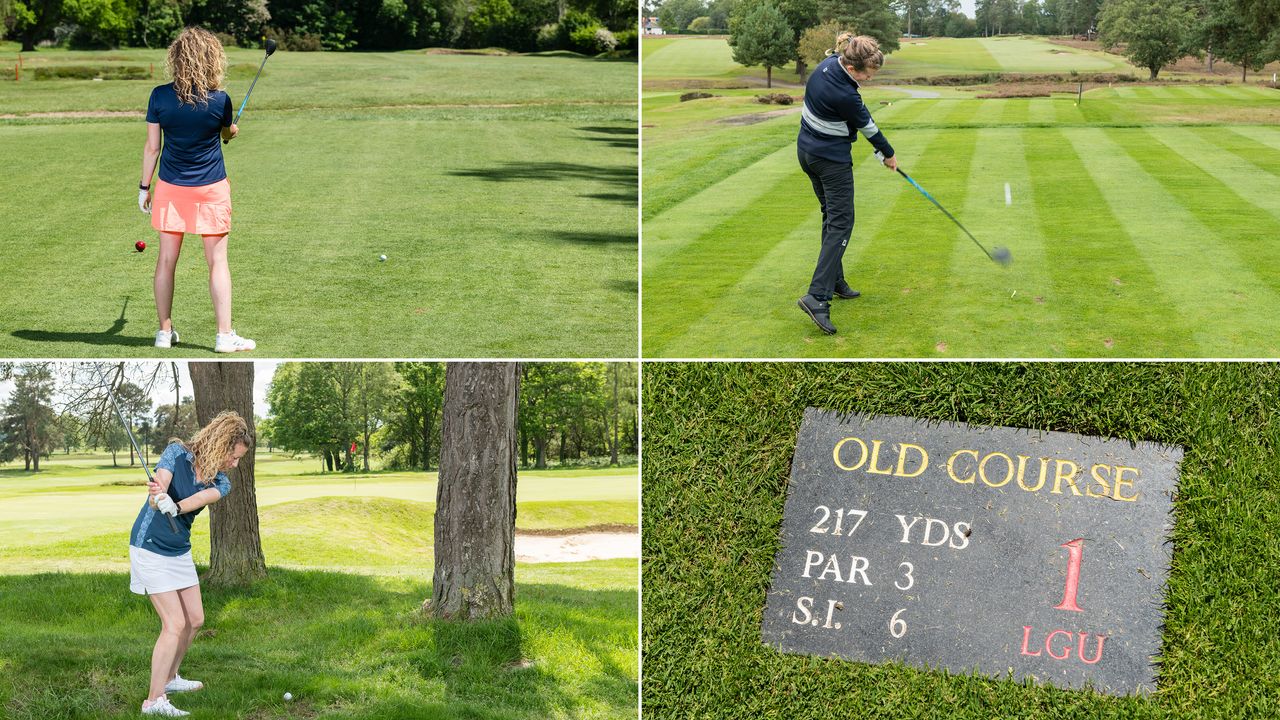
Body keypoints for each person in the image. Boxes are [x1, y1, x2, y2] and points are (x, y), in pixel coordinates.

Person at [139, 26, 255, 353]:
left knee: (165, 261)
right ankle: (223, 336)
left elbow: (152, 149)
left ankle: (164, 333)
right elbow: (225, 134)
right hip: (210, 188)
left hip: (170, 188)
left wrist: (143, 188)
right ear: (213, 59)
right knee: (217, 262)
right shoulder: (220, 100)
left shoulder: (159, 96)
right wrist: (231, 132)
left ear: (176, 57)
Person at [129, 411, 251, 717]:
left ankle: (170, 678)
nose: (234, 465)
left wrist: (177, 505)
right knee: (175, 624)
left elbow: (198, 500)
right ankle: (153, 701)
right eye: (233, 457)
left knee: (195, 619)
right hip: (150, 547)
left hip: (178, 550)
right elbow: (159, 488)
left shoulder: (221, 482)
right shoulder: (176, 453)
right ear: (219, 445)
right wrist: (160, 498)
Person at [795, 33, 898, 335]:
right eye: (867, 75)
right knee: (842, 223)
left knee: (831, 217)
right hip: (830, 160)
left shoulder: (828, 63)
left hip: (807, 152)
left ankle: (835, 281)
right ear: (853, 69)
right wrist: (889, 155)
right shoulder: (847, 94)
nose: (868, 80)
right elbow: (870, 129)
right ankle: (817, 297)